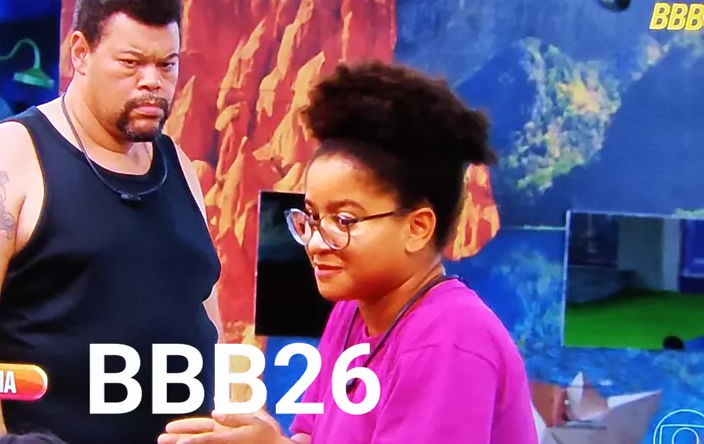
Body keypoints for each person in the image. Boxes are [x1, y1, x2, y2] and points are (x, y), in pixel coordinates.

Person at [158, 62, 538, 444]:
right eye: (311, 217)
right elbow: (310, 436)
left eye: (344, 220)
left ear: (417, 227)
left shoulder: (448, 341)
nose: (315, 242)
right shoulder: (351, 312)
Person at [0, 0, 223, 443]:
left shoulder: (178, 166)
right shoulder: (9, 158)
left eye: (167, 65)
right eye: (131, 63)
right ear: (81, 53)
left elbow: (206, 315)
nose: (153, 81)